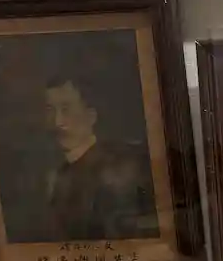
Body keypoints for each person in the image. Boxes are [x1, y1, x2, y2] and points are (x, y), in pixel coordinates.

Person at [41, 76, 157, 240]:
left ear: (91, 116)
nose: (57, 122)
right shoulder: (57, 174)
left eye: (66, 109)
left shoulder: (119, 165)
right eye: (50, 110)